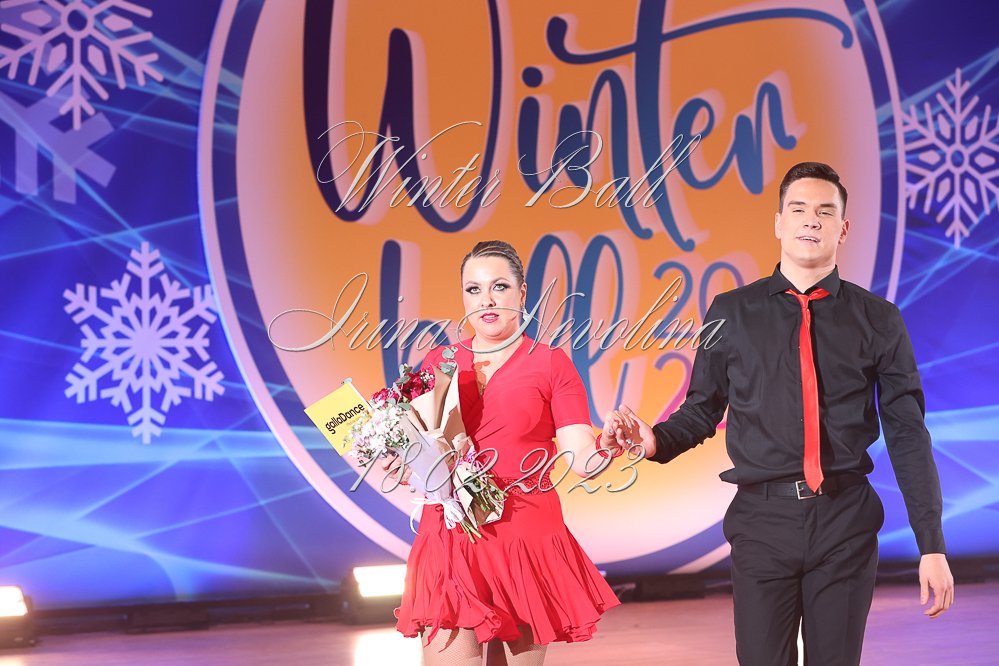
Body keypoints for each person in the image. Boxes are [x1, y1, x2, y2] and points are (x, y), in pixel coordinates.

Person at [610, 162, 955, 665]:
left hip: (844, 520)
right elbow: (702, 409)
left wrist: (932, 544)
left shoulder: (879, 319)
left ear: (843, 228)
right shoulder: (731, 312)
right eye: (798, 209)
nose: (811, 220)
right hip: (761, 523)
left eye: (825, 212)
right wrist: (656, 440)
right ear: (778, 222)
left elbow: (907, 434)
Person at [389, 240, 624, 666]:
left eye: (499, 286)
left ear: (522, 292)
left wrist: (607, 448)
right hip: (451, 536)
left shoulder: (550, 363)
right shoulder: (438, 362)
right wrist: (401, 459)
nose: (487, 300)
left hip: (524, 536)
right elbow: (420, 447)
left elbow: (580, 458)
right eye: (473, 289)